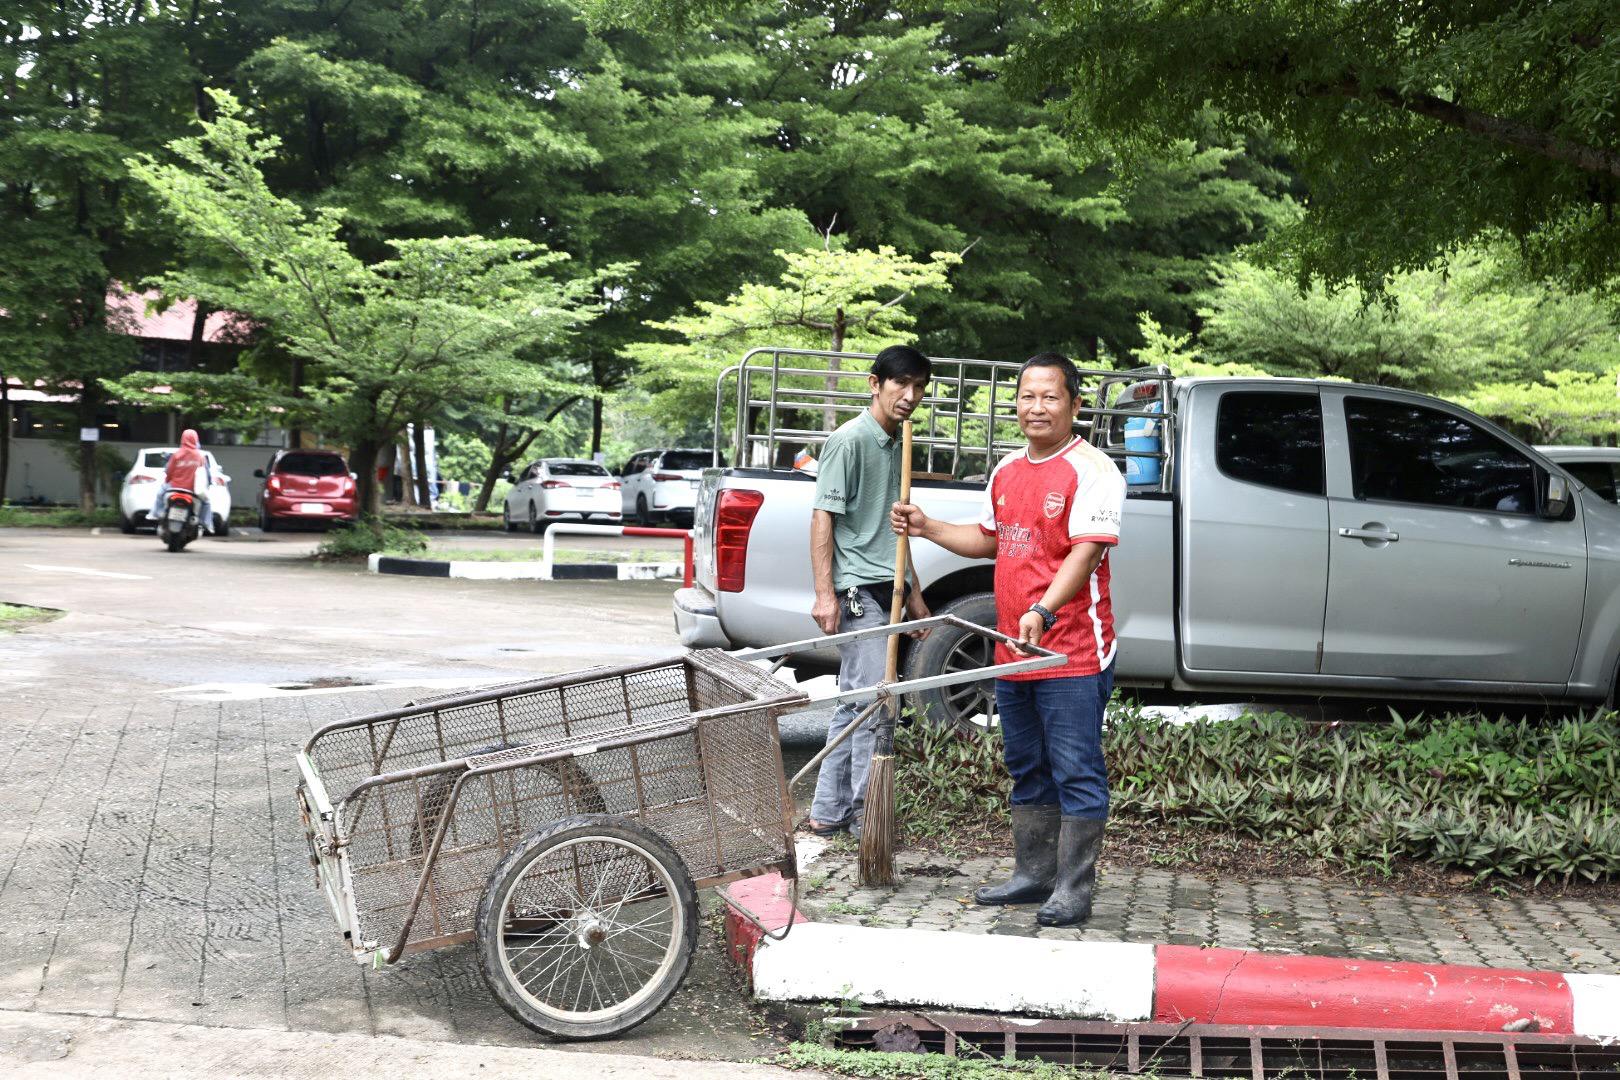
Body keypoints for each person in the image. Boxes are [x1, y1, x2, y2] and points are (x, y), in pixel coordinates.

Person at [890, 352, 1124, 927]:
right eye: (1026, 396)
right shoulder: (1007, 471)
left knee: (1076, 768)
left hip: (1072, 650)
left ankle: (1073, 887)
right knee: (1026, 764)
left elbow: (1085, 552)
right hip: (1011, 649)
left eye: (1049, 396)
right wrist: (927, 527)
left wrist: (1043, 609)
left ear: (1073, 403)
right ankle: (1032, 875)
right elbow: (989, 540)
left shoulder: (1094, 471)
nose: (1035, 407)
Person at [807, 344, 933, 840]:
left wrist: (917, 593)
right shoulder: (850, 441)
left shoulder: (898, 440)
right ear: (874, 383)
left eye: (919, 386)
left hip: (891, 583)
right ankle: (865, 817)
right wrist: (825, 593)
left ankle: (827, 812)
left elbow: (897, 530)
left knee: (853, 703)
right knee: (872, 704)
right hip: (859, 589)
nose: (909, 395)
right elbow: (823, 519)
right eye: (900, 383)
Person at [152, 429, 213, 534]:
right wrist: (208, 484)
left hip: (174, 487)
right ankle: (206, 523)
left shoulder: (177, 455)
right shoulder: (200, 457)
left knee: (159, 495)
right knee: (206, 503)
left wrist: (168, 481)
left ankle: (157, 514)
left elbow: (168, 471)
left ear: (183, 439)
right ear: (196, 439)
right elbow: (206, 475)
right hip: (193, 490)